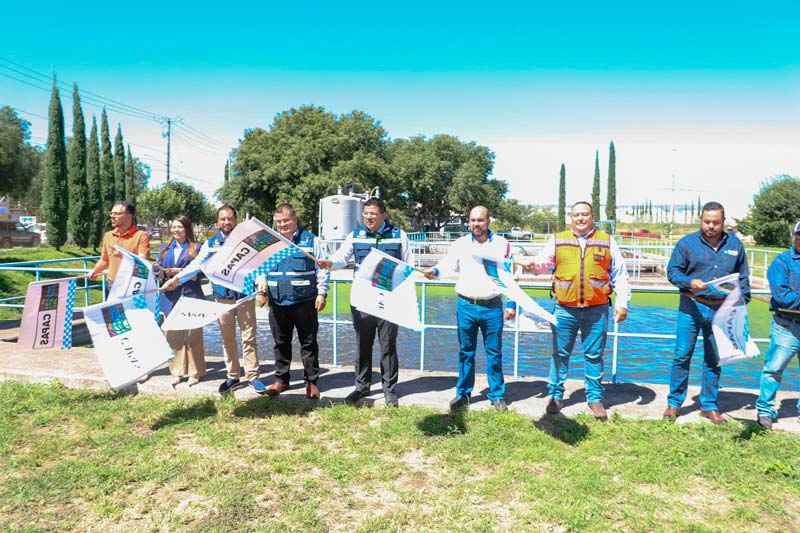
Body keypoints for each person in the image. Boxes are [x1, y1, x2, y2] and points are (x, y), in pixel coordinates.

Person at [526, 201, 630, 420]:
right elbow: (544, 264)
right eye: (576, 215)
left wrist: (622, 303)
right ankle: (555, 395)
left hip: (597, 309)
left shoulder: (606, 241)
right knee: (559, 355)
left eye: (585, 214)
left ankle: (594, 399)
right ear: (570, 218)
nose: (580, 218)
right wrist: (533, 266)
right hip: (565, 309)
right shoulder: (558, 239)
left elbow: (620, 274)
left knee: (594, 356)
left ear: (593, 217)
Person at [318, 198, 412, 407]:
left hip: (389, 300)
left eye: (373, 214)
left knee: (388, 344)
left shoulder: (399, 235)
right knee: (363, 343)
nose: (368, 218)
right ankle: (362, 386)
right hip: (362, 299)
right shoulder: (355, 235)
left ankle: (389, 389)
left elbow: (409, 266)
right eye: (366, 214)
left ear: (383, 215)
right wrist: (330, 263)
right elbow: (342, 258)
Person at [663, 201, 750, 424]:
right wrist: (690, 282)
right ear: (701, 220)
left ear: (723, 222)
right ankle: (674, 403)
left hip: (721, 310)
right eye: (707, 221)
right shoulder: (687, 244)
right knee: (682, 355)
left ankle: (709, 405)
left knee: (714, 359)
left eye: (716, 222)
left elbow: (743, 277)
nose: (711, 226)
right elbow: (672, 272)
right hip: (691, 306)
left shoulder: (735, 245)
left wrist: (742, 302)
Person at [423, 206, 516, 412]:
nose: (476, 224)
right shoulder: (460, 244)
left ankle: (497, 395)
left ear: (489, 221)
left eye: (480, 220)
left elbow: (509, 275)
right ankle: (463, 393)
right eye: (473, 220)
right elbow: (447, 264)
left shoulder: (502, 245)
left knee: (494, 353)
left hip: (492, 307)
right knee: (466, 352)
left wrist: (511, 303)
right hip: (465, 305)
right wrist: (435, 271)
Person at [255, 204, 329, 400]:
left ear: (295, 220)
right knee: (280, 343)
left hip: (305, 301)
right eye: (279, 222)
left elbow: (322, 269)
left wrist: (322, 293)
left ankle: (311, 382)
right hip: (278, 301)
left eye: (286, 220)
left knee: (308, 343)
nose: (282, 225)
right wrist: (261, 291)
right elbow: (261, 269)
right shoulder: (269, 242)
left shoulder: (310, 240)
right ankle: (281, 380)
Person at [207, 206, 266, 395]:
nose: (226, 222)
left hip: (244, 296)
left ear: (236, 220)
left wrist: (261, 289)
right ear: (218, 222)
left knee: (249, 337)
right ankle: (232, 376)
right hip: (222, 297)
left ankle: (253, 376)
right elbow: (202, 266)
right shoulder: (211, 243)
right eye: (223, 219)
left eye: (230, 219)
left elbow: (259, 265)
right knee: (228, 339)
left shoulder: (248, 242)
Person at [754, 221, 800, 430]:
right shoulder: (782, 262)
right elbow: (782, 296)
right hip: (786, 326)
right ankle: (765, 411)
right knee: (773, 369)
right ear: (794, 237)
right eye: (799, 236)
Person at [157, 216, 206, 387]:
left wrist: (182, 272)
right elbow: (159, 272)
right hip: (170, 297)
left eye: (180, 227)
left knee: (193, 335)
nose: (176, 230)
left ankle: (195, 371)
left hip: (191, 295)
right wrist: (161, 272)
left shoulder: (196, 248)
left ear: (187, 229)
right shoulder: (164, 249)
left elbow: (203, 272)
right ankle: (176, 371)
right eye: (174, 227)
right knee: (173, 335)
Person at [88, 201, 150, 287]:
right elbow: (104, 260)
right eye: (111, 213)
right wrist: (94, 271)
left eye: (117, 214)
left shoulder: (141, 236)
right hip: (111, 284)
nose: (112, 216)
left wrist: (125, 256)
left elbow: (142, 262)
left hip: (131, 286)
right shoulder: (108, 236)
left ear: (129, 216)